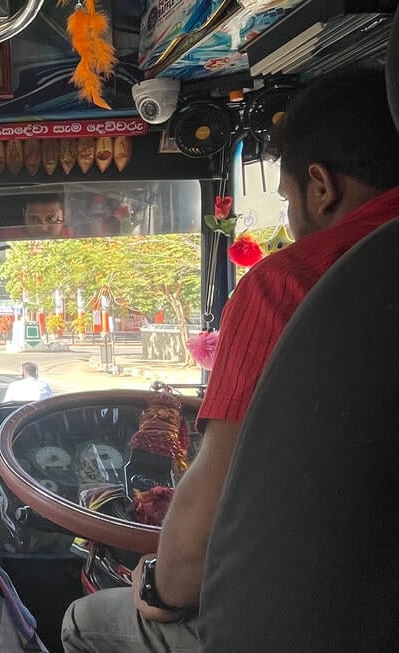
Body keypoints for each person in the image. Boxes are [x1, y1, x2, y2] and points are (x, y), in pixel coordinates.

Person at [60, 68, 399, 653]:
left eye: (289, 199)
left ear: (321, 186)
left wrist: (158, 587)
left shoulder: (291, 285)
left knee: (84, 622)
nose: (292, 223)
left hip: (301, 626)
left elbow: (194, 547)